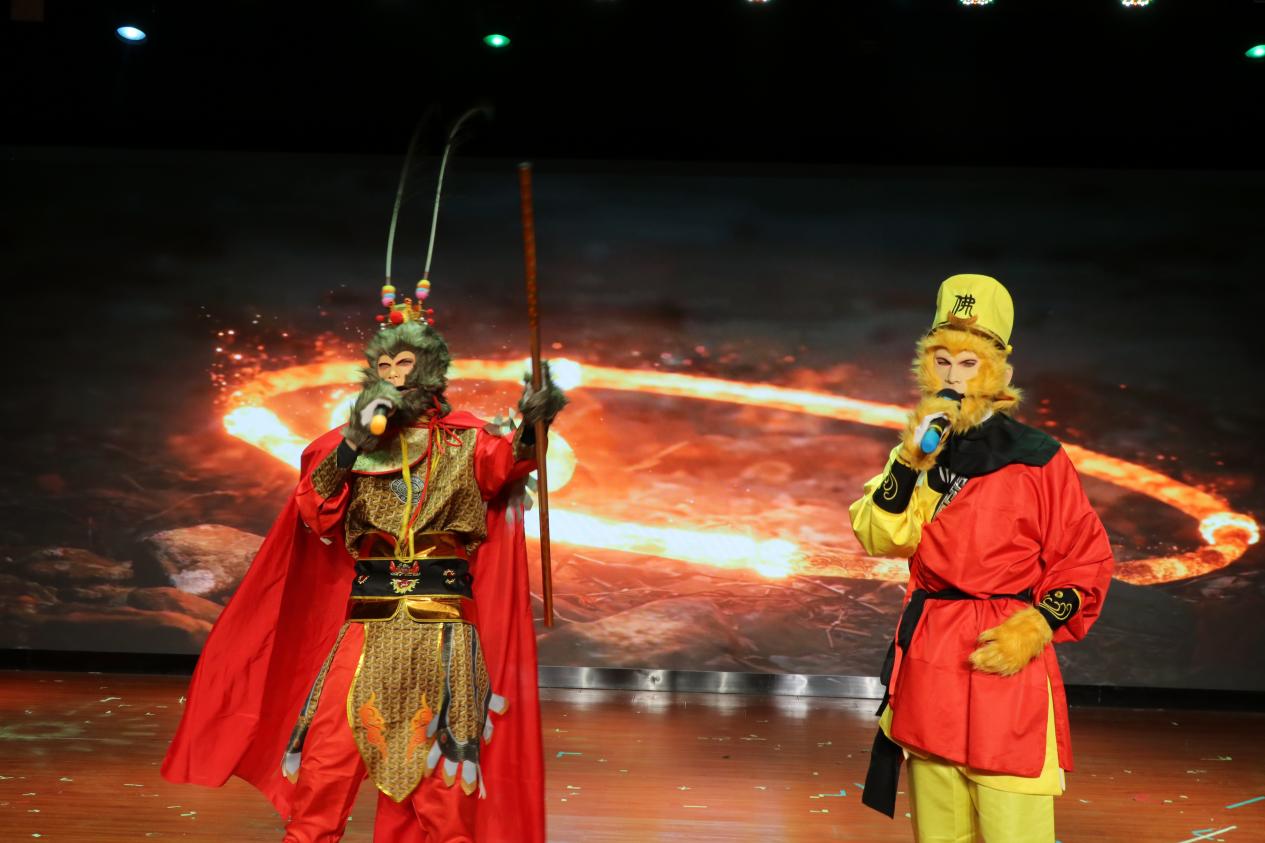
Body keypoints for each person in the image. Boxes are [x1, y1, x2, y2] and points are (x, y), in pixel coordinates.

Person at [163, 288, 565, 843]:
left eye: (405, 363)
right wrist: (354, 440)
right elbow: (316, 508)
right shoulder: (349, 445)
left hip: (443, 628)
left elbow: (508, 464)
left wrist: (534, 421)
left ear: (431, 370)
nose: (394, 375)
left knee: (442, 781)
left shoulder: (466, 441)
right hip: (367, 623)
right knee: (327, 759)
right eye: (384, 366)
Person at [850, 274, 1114, 843]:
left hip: (1001, 649)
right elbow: (881, 535)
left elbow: (1085, 557)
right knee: (939, 821)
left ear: (998, 372)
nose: (953, 377)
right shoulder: (918, 451)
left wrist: (1037, 624)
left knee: (1011, 815)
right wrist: (909, 464)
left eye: (968, 364)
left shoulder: (1039, 458)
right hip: (932, 649)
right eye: (942, 361)